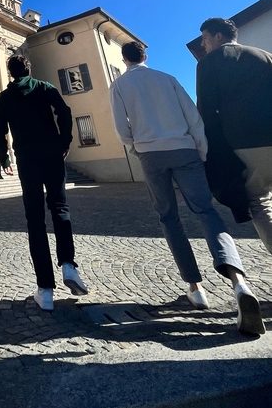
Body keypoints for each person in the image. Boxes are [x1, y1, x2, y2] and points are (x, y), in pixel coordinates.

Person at [110, 40, 264, 336]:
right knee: (206, 212)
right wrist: (201, 151)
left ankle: (195, 288)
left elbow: (121, 129)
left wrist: (137, 148)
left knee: (169, 218)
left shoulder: (119, 86)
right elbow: (193, 117)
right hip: (185, 149)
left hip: (150, 154)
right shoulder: (168, 79)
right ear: (146, 55)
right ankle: (238, 282)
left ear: (124, 59)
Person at [0, 54, 88, 311]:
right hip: (52, 156)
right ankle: (68, 265)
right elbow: (64, 112)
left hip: (27, 161)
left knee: (35, 220)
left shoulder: (4, 97)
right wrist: (64, 142)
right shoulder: (45, 87)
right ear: (29, 70)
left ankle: (45, 290)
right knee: (60, 209)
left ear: (10, 73)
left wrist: (3, 158)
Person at [197, 17, 272, 258]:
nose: (203, 45)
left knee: (259, 200)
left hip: (247, 142)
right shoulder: (265, 56)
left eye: (206, 39)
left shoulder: (209, 64)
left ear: (219, 36)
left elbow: (206, 111)